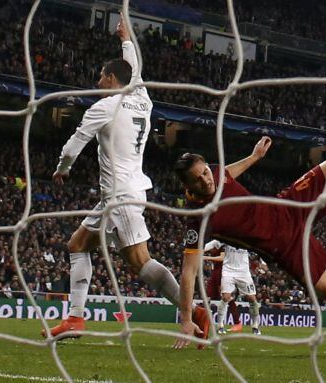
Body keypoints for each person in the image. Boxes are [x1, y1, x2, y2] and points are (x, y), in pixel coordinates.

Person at [171, 136, 326, 356]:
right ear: (188, 186)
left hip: (285, 206)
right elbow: (189, 272)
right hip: (286, 248)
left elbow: (226, 173)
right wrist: (185, 318)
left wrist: (254, 156)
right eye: (198, 180)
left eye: (205, 172)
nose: (206, 180)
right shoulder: (199, 218)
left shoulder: (214, 172)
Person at [48, 14, 209, 339]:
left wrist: (62, 170)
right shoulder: (141, 98)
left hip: (121, 195)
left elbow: (73, 146)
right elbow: (133, 66)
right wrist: (125, 38)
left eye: (100, 77)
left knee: (140, 261)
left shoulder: (104, 107)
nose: (97, 82)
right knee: (78, 243)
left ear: (110, 78)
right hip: (124, 193)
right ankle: (75, 319)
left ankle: (192, 310)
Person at [203, 240, 261, 335]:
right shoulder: (228, 235)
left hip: (244, 272)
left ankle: (255, 325)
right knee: (225, 297)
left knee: (252, 298)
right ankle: (220, 325)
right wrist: (199, 249)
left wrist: (262, 263)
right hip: (228, 271)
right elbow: (214, 243)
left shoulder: (248, 236)